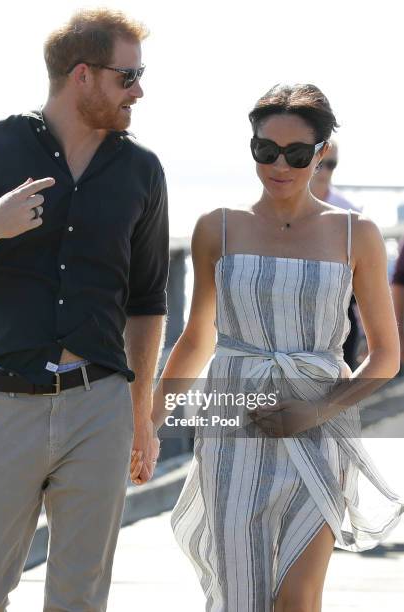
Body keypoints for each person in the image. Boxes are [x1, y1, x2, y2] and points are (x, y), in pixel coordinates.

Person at [0, 8, 166, 611]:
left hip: (99, 406)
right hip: (1, 404)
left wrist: (140, 415)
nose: (140, 89)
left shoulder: (141, 170)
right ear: (82, 75)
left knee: (80, 599)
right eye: (127, 76)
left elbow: (147, 300)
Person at [147, 84, 404, 612]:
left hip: (320, 430)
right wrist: (148, 422)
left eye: (296, 153)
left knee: (297, 600)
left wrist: (315, 412)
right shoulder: (217, 227)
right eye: (265, 150)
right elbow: (198, 336)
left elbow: (385, 357)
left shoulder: (359, 235)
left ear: (322, 152)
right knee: (242, 595)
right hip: (232, 432)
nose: (278, 164)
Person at [311, 140, 362, 370]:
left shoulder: (350, 212)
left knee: (340, 387)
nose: (325, 170)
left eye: (331, 164)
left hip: (340, 312)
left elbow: (362, 271)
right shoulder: (281, 209)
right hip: (296, 310)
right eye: (321, 163)